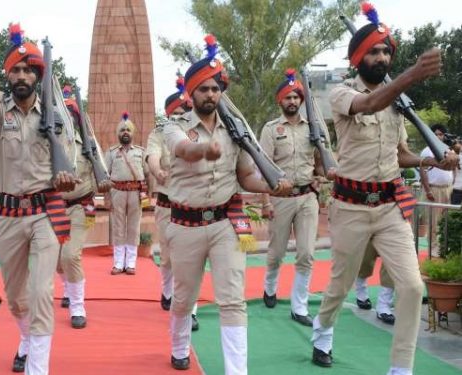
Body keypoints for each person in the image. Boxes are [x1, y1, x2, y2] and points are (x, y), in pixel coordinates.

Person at [310, 4, 457, 373]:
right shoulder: (342, 94)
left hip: (391, 206)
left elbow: (402, 154)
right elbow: (371, 102)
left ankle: (400, 367)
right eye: (374, 51)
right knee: (341, 283)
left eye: (386, 50)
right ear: (358, 57)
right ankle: (323, 329)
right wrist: (411, 75)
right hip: (351, 206)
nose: (382, 56)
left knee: (411, 286)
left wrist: (431, 160)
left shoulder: (400, 105)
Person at [163, 34, 292, 372]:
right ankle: (179, 348)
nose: (210, 94)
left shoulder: (235, 130)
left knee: (233, 301)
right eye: (203, 88)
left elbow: (245, 175)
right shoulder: (173, 126)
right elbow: (183, 150)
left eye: (215, 88)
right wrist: (204, 149)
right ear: (191, 93)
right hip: (185, 224)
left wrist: (270, 187)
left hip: (225, 222)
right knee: (183, 298)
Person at [0, 23, 78, 374]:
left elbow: (68, 166)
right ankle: (26, 339)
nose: (20, 75)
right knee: (17, 298)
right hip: (7, 215)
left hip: (44, 215)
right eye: (14, 70)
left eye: (27, 70)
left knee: (40, 293)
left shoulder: (58, 119)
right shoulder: (0, 114)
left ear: (37, 75)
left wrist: (64, 178)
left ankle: (38, 367)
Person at [259, 69, 328, 326]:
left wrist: (323, 175)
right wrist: (266, 202)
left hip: (308, 196)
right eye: (287, 97)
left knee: (306, 253)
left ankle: (299, 306)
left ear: (301, 100)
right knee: (276, 252)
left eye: (296, 97)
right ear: (280, 101)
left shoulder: (313, 128)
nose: (292, 101)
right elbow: (263, 167)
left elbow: (320, 163)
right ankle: (270, 286)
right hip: (280, 197)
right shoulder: (271, 129)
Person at [55, 85, 111, 329]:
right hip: (54, 206)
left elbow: (104, 177)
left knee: (70, 254)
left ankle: (78, 305)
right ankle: (68, 288)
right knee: (57, 261)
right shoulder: (51, 142)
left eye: (72, 115)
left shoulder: (88, 143)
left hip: (81, 206)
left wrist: (103, 178)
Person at [147, 74, 198, 330]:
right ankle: (167, 291)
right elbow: (153, 156)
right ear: (169, 114)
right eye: (177, 112)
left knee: (190, 260)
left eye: (186, 110)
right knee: (168, 258)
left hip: (195, 205)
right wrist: (157, 172)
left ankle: (191, 307)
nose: (183, 115)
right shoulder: (160, 133)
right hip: (168, 205)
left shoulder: (200, 130)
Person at [105, 112, 147, 275]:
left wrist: (148, 194)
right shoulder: (111, 152)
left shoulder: (141, 152)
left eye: (128, 130)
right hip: (117, 192)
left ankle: (130, 264)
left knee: (134, 228)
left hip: (137, 193)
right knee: (118, 227)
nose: (125, 132)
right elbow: (105, 175)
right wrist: (107, 198)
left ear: (132, 133)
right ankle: (117, 263)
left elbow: (148, 174)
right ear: (118, 133)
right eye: (122, 130)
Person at [419, 124, 454, 255]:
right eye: (436, 134)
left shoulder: (448, 149)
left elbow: (454, 169)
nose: (438, 136)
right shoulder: (426, 151)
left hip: (448, 189)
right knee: (433, 220)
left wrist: (454, 185)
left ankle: (444, 245)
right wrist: (427, 190)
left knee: (445, 219)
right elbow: (423, 172)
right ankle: (433, 248)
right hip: (434, 189)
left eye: (441, 134)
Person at [353, 242, 396, 325]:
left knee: (392, 259)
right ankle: (361, 290)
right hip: (367, 229)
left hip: (392, 230)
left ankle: (384, 304)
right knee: (365, 257)